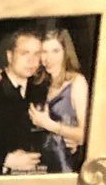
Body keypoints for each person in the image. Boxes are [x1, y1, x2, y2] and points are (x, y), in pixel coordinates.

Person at [0, 26, 46, 174]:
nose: (31, 60)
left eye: (37, 54)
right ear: (10, 56)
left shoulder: (40, 90)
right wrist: (6, 160)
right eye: (24, 53)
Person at [30, 25, 90, 174]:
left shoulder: (77, 82)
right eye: (44, 51)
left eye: (55, 51)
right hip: (39, 165)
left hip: (64, 166)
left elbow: (86, 135)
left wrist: (50, 125)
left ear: (66, 53)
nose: (48, 58)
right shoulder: (40, 83)